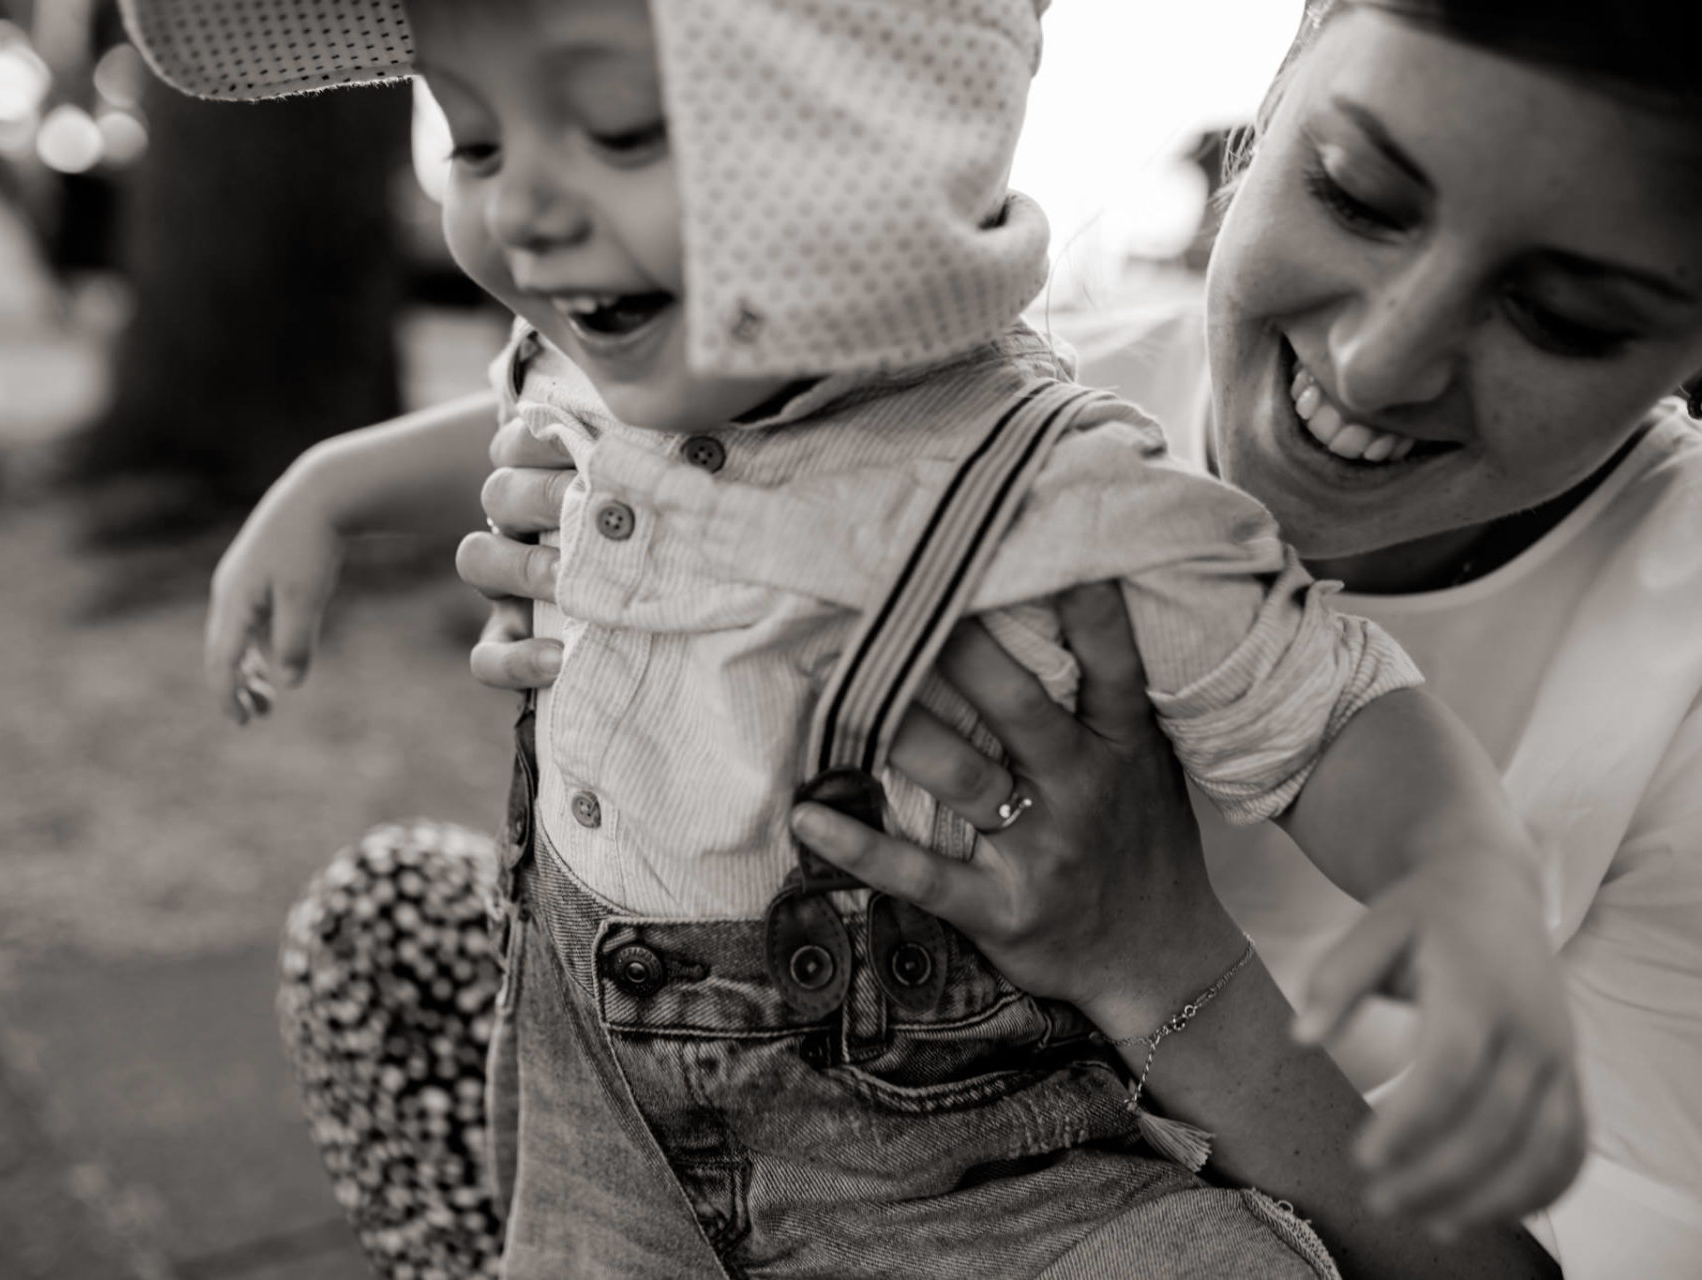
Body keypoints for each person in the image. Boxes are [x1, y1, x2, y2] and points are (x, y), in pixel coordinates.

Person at [136, 0, 1604, 1275]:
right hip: (596, 1141)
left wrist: (1460, 875)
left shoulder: (1059, 484)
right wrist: (330, 489)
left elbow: (1335, 714)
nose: (523, 206)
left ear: (884, 133)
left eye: (624, 133)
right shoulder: (610, 356)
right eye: (475, 140)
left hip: (966, 1189)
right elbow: (524, 418)